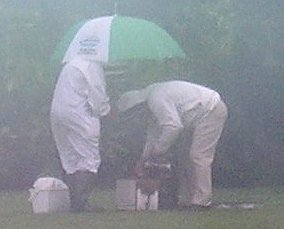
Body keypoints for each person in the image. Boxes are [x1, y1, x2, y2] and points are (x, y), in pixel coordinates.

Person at [116, 80, 228, 209]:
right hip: (199, 115)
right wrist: (143, 160)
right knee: (186, 158)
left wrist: (158, 150)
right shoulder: (153, 97)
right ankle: (192, 199)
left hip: (211, 110)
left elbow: (173, 127)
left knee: (199, 156)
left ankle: (202, 201)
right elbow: (153, 135)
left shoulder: (155, 99)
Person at [50, 57, 110, 212]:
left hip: (57, 113)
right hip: (79, 114)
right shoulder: (92, 66)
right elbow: (98, 99)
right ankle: (81, 203)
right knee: (89, 159)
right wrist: (106, 111)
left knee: (70, 158)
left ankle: (74, 201)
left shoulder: (71, 63)